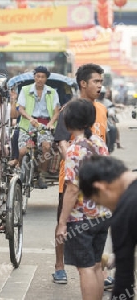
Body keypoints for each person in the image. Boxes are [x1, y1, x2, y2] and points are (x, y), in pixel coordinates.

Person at [52, 63, 109, 285]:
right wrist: (77, 163)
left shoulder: (102, 110)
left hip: (96, 185)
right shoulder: (70, 109)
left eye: (101, 82)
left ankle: (99, 272)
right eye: (96, 81)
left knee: (95, 230)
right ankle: (59, 266)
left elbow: (104, 144)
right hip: (70, 181)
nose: (99, 86)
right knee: (63, 222)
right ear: (83, 83)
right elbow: (62, 142)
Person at [79, 155, 137, 300]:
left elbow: (124, 283)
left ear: (101, 187)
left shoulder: (124, 212)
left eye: (99, 202)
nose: (106, 208)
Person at [17, 66, 60, 189]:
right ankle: (20, 169)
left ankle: (42, 174)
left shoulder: (52, 92)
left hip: (45, 124)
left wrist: (51, 123)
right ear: (34, 77)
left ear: (46, 78)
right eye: (38, 76)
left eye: (43, 77)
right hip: (28, 123)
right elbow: (20, 108)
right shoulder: (25, 90)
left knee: (46, 147)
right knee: (22, 151)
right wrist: (30, 119)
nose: (40, 79)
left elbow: (56, 111)